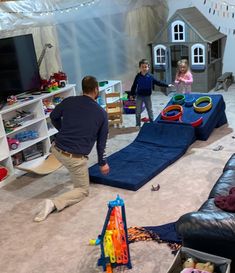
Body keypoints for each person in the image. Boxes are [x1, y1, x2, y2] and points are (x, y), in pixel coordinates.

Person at [34, 76, 110, 222]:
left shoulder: (68, 101)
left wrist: (62, 131)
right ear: (96, 90)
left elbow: (53, 116)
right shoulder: (101, 114)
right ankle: (53, 203)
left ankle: (72, 170)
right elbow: (102, 142)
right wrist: (102, 162)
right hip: (74, 158)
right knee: (82, 190)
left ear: (83, 89)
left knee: (70, 164)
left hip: (56, 148)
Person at [130, 59, 173, 127]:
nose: (144, 68)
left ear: (148, 67)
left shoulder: (150, 76)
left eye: (146, 67)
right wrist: (132, 94)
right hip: (139, 96)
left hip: (147, 96)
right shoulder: (137, 76)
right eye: (142, 67)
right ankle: (138, 124)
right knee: (138, 111)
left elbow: (158, 82)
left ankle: (152, 123)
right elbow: (134, 85)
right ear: (140, 67)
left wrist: (167, 85)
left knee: (149, 110)